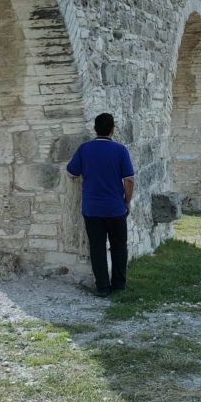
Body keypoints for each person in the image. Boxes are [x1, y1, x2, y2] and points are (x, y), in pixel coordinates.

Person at [66, 113, 135, 297]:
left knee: (97, 248)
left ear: (95, 129)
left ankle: (103, 287)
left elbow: (71, 173)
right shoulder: (120, 150)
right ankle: (119, 284)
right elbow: (128, 180)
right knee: (119, 246)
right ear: (112, 129)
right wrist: (127, 202)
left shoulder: (84, 149)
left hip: (92, 208)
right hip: (115, 208)